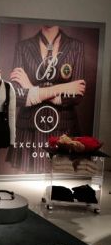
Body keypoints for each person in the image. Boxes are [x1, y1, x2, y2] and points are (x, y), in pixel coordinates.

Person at [6, 25, 85, 173]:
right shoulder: (23, 47)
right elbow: (16, 95)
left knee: (61, 180)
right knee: (27, 184)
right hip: (29, 129)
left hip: (64, 128)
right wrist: (60, 88)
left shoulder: (76, 46)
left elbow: (76, 95)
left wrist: (31, 89)